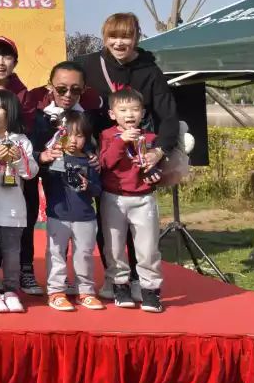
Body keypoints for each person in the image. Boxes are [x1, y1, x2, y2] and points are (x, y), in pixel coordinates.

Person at [80, 13, 178, 302]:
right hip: (102, 154)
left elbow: (168, 116)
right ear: (104, 37)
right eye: (113, 36)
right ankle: (116, 280)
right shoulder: (88, 65)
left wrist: (159, 152)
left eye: (126, 36)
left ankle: (140, 280)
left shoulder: (150, 70)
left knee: (142, 229)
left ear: (136, 37)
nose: (119, 43)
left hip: (139, 157)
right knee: (108, 226)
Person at [26, 61, 100, 297]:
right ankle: (36, 276)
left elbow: (98, 147)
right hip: (45, 182)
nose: (68, 94)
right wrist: (42, 156)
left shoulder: (88, 117)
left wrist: (94, 157)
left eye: (75, 90)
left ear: (84, 89)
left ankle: (84, 286)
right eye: (61, 89)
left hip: (79, 190)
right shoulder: (39, 116)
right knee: (51, 239)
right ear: (50, 87)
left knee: (82, 244)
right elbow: (28, 151)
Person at [98, 88, 165, 313]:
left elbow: (158, 168)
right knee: (114, 246)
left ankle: (150, 290)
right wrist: (121, 142)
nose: (129, 114)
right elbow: (105, 163)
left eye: (135, 109)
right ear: (112, 114)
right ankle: (120, 286)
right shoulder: (107, 135)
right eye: (123, 110)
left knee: (148, 247)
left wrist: (155, 170)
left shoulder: (150, 138)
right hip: (114, 198)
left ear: (142, 113)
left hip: (144, 198)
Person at [0, 90, 37, 314]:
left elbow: (31, 172)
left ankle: (12, 291)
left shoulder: (22, 141)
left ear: (10, 111)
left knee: (13, 256)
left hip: (14, 212)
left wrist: (17, 158)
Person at [41, 112, 104, 312]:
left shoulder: (90, 161)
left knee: (84, 255)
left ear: (87, 138)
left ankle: (85, 291)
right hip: (58, 216)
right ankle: (56, 292)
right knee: (56, 254)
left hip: (85, 217)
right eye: (67, 134)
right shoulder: (55, 158)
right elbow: (46, 177)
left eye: (79, 135)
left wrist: (88, 185)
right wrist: (52, 158)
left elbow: (98, 189)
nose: (73, 140)